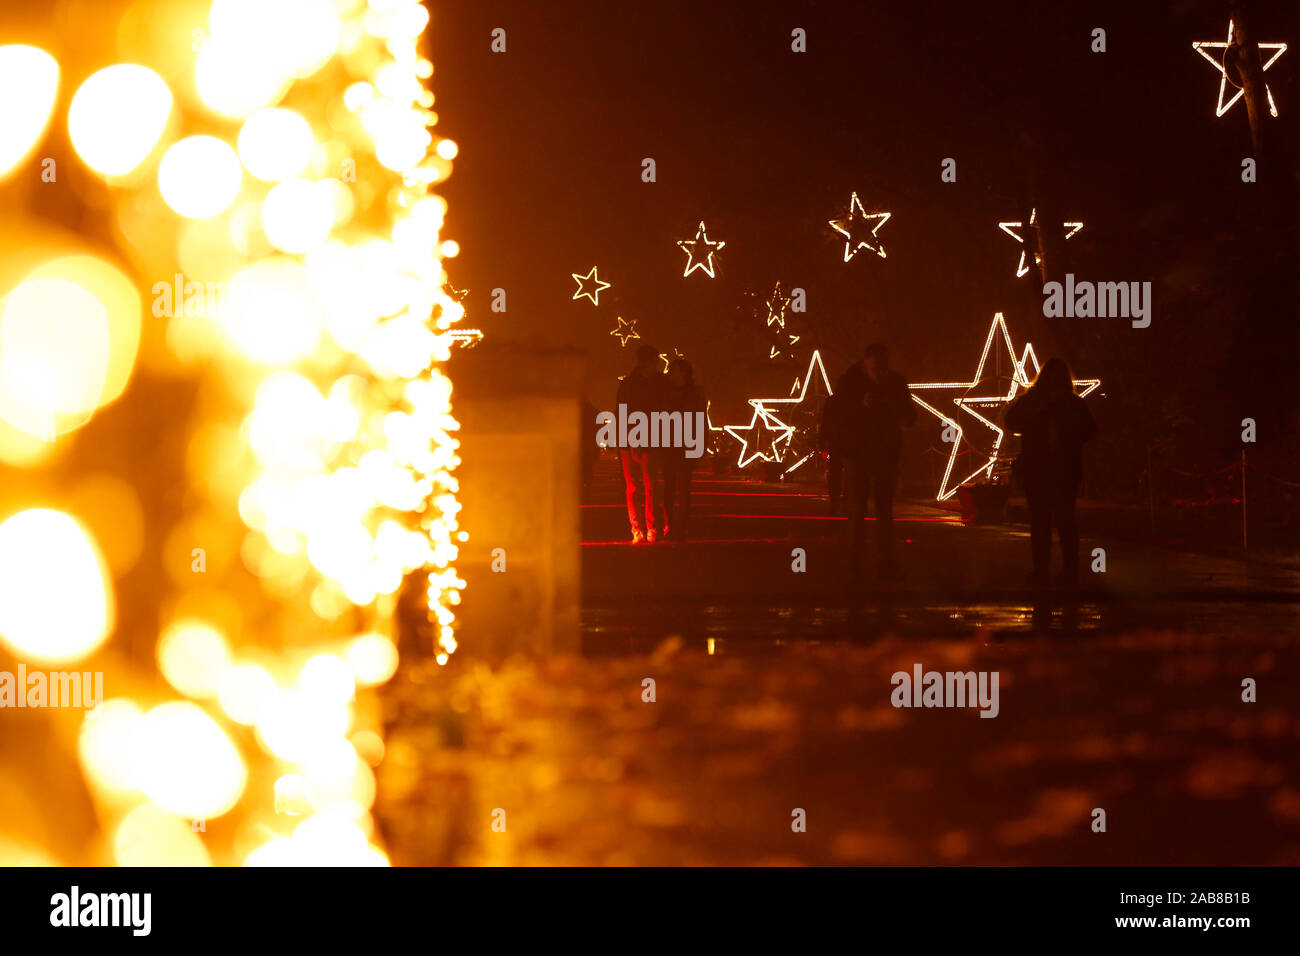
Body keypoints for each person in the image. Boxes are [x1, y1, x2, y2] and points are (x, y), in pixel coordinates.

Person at [1005, 357, 1097, 587]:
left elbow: (1011, 421)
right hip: (1065, 470)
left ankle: (1041, 571)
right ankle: (1068, 571)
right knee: (1065, 521)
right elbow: (1090, 429)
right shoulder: (1073, 403)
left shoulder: (1032, 401)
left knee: (1041, 523)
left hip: (1038, 470)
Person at [844, 343, 915, 578]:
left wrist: (891, 405)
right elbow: (840, 415)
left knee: (880, 510)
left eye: (881, 368)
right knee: (860, 510)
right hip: (861, 454)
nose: (878, 372)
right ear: (866, 364)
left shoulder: (893, 383)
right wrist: (861, 407)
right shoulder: (851, 383)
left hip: (882, 454)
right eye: (875, 368)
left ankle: (878, 562)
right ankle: (858, 563)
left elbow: (909, 417)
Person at [617, 344, 666, 543]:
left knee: (641, 486)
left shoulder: (630, 383)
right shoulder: (640, 384)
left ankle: (641, 528)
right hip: (640, 437)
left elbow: (622, 411)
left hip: (642, 438)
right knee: (644, 485)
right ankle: (645, 528)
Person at [661, 359, 706, 540]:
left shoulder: (695, 393)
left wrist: (700, 445)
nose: (670, 374)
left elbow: (701, 420)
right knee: (670, 487)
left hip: (685, 444)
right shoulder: (665, 392)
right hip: (669, 444)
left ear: (684, 373)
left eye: (673, 371)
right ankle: (671, 526)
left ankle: (680, 527)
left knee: (683, 487)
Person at [820, 362, 866, 515]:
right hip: (851, 439)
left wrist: (823, 440)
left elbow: (825, 421)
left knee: (836, 472)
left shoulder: (835, 399)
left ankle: (836, 501)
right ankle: (845, 500)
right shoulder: (859, 399)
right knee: (850, 471)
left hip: (838, 439)